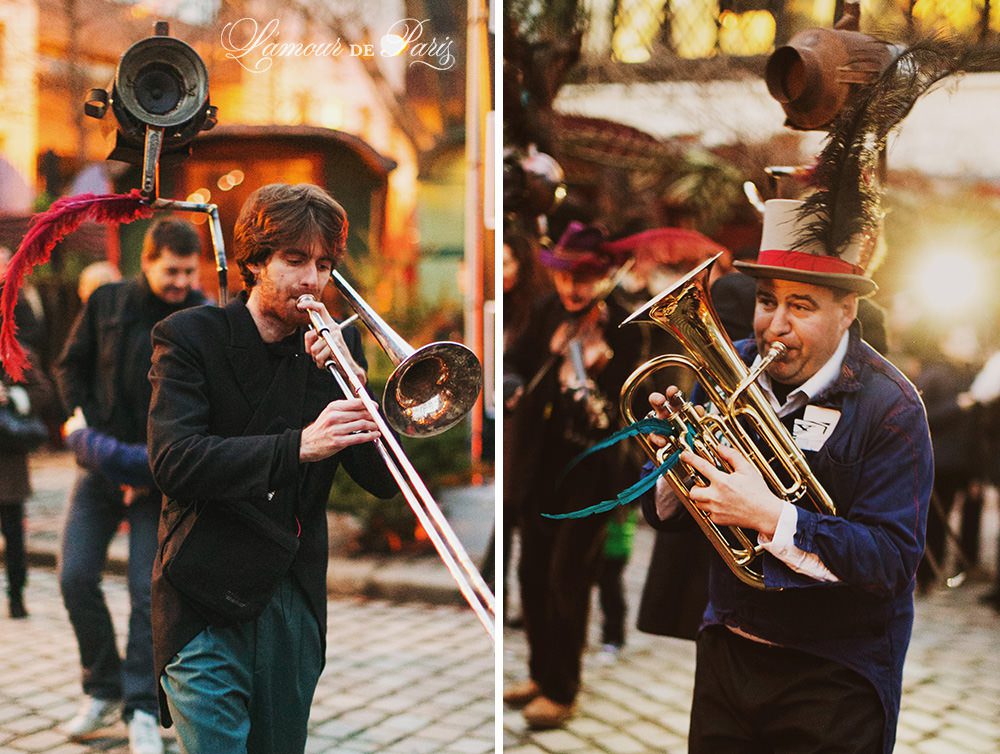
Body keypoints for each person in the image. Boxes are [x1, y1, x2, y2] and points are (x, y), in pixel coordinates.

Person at [643, 199, 932, 753]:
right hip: (729, 646)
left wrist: (768, 514)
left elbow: (893, 560)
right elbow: (672, 519)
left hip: (836, 670)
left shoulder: (891, 407)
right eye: (766, 300)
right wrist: (673, 468)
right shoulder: (729, 366)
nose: (775, 326)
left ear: (847, 311)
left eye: (801, 306)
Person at [146, 183, 398, 754]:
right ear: (255, 261)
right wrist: (298, 447)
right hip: (203, 593)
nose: (312, 280)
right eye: (294, 260)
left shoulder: (333, 348)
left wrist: (350, 381)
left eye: (325, 265)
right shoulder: (190, 337)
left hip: (290, 596)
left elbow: (385, 481)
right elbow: (174, 460)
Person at [54, 218, 207, 754]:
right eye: (172, 271)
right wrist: (90, 433)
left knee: (148, 595)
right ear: (147, 261)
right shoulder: (107, 301)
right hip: (101, 467)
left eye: (190, 271)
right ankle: (102, 687)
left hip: (160, 480)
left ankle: (142, 706)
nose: (182, 281)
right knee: (74, 577)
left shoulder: (203, 315)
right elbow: (69, 368)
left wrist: (138, 468)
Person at [503, 221, 644, 729]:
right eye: (565, 277)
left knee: (569, 577)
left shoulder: (627, 325)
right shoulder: (546, 311)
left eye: (583, 278)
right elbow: (514, 357)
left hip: (593, 472)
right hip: (541, 467)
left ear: (604, 275)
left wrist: (594, 382)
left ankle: (564, 689)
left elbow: (628, 404)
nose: (572, 288)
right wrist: (516, 380)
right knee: (532, 575)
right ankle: (542, 674)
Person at [0, 246, 56, 619]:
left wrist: (11, 395)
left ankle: (17, 596)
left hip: (7, 453)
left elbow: (43, 390)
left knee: (13, 533)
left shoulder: (17, 345)